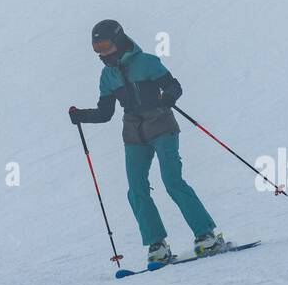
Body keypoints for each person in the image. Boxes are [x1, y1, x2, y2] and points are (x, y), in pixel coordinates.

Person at [69, 19, 225, 268]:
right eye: (96, 48)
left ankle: (206, 235)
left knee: (173, 182)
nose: (102, 52)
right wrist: (81, 116)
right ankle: (157, 244)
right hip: (133, 134)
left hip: (161, 126)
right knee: (136, 190)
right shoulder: (107, 75)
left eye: (105, 45)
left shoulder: (147, 62)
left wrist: (168, 98)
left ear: (118, 40)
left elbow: (173, 85)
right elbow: (105, 113)